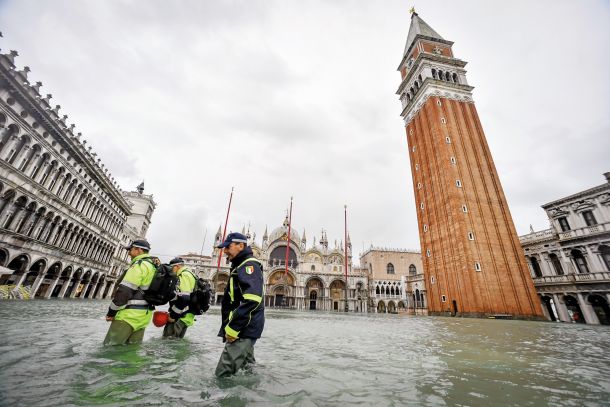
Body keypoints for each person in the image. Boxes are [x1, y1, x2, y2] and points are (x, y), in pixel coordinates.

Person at [214, 232, 265, 377]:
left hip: (243, 329)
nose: (224, 251)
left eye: (228, 247)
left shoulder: (248, 265)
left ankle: (219, 399)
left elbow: (252, 299)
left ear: (240, 246)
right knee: (248, 370)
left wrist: (233, 328)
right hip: (244, 327)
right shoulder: (240, 264)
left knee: (223, 374)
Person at [103, 239, 156, 345]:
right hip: (143, 317)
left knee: (110, 350)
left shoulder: (139, 265)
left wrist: (111, 312)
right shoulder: (152, 266)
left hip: (127, 317)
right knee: (131, 352)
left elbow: (124, 291)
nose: (128, 253)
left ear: (139, 250)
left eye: (130, 250)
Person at [163, 257, 197, 339]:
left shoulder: (184, 275)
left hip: (180, 317)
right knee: (176, 343)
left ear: (177, 266)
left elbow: (184, 298)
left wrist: (173, 315)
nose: (171, 270)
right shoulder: (190, 274)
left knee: (168, 342)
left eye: (171, 268)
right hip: (186, 316)